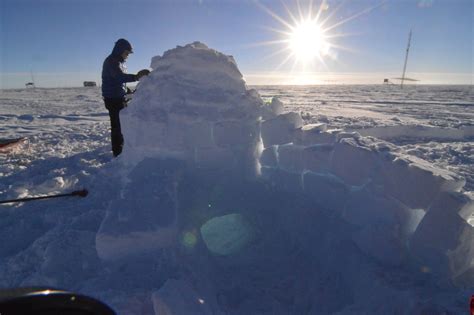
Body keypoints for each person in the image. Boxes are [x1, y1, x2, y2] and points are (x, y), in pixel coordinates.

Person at [101, 38, 150, 157]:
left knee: (121, 124)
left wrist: (125, 90)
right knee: (117, 126)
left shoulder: (119, 62)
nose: (127, 56)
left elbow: (118, 81)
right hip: (113, 99)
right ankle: (118, 152)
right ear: (120, 50)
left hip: (117, 97)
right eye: (127, 53)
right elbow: (119, 77)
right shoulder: (112, 61)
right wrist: (137, 77)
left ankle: (121, 147)